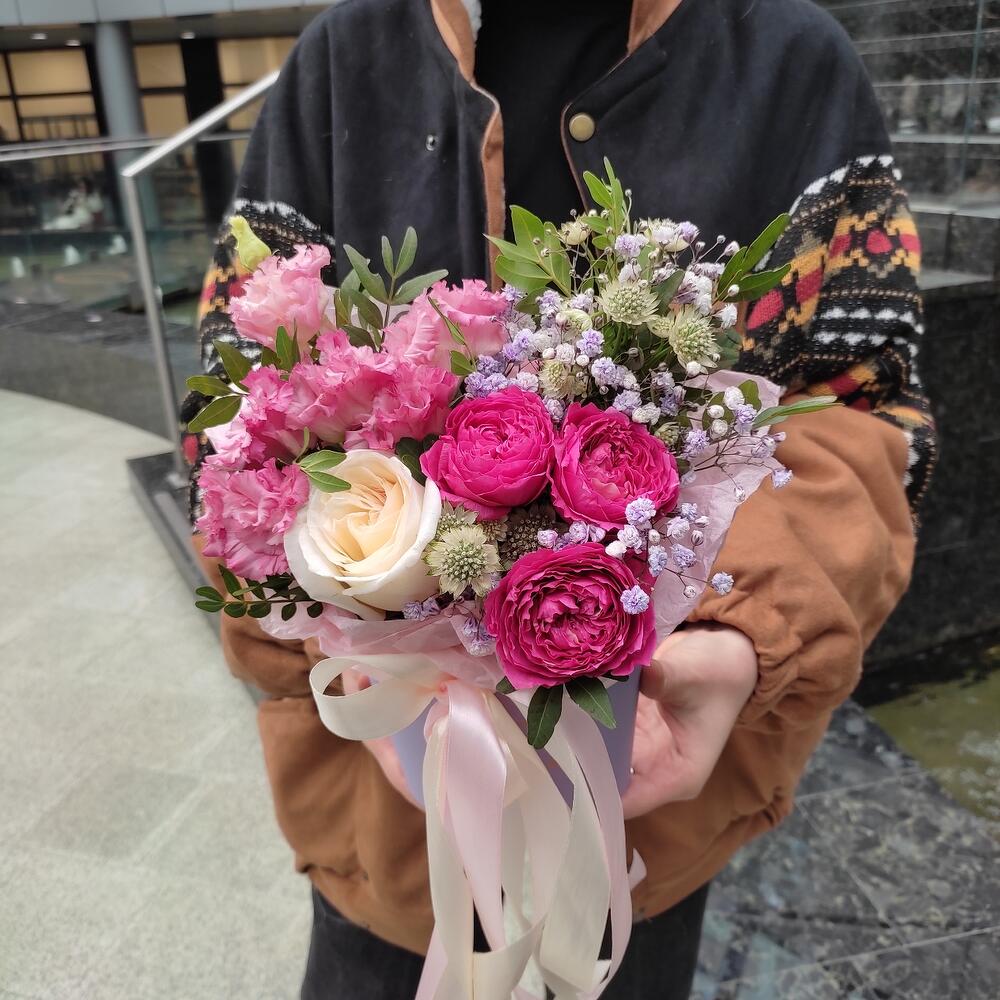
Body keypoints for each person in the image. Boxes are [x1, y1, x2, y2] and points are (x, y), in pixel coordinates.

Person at [185, 1, 935, 997]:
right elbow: (234, 420)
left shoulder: (784, 59)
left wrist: (742, 635)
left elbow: (866, 413)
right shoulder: (345, 59)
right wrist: (353, 654)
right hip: (385, 825)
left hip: (649, 822)